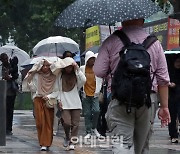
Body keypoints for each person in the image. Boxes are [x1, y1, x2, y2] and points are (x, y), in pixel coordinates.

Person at [93, 19, 171, 154]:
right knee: (142, 146)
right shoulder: (155, 43)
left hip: (120, 98)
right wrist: (164, 107)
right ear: (142, 20)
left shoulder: (112, 40)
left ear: (123, 20)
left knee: (122, 145)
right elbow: (163, 80)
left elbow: (98, 71)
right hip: (147, 100)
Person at [22, 58, 59, 151]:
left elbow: (57, 90)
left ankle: (46, 143)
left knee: (48, 122)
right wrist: (30, 78)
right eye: (43, 65)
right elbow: (32, 88)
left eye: (47, 65)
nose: (45, 67)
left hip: (49, 101)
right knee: (40, 122)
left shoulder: (54, 76)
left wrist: (49, 96)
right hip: (38, 99)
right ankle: (42, 141)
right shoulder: (37, 75)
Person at [55, 57, 86, 150]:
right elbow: (57, 89)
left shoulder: (76, 76)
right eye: (67, 67)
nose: (69, 69)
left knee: (75, 124)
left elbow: (84, 80)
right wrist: (58, 101)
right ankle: (67, 137)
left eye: (70, 67)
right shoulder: (60, 76)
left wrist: (77, 69)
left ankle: (73, 142)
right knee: (67, 123)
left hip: (76, 103)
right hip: (64, 103)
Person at [80, 50, 103, 139]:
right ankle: (88, 131)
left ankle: (94, 128)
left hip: (95, 93)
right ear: (87, 59)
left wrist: (98, 90)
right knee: (87, 113)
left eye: (94, 59)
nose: (92, 61)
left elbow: (100, 79)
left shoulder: (97, 68)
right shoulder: (82, 68)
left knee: (96, 111)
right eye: (91, 59)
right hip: (86, 94)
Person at [53, 50, 76, 136]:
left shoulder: (74, 69)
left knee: (69, 119)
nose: (68, 58)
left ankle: (68, 133)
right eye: (67, 56)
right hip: (59, 94)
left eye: (70, 56)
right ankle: (54, 130)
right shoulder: (60, 69)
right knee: (58, 114)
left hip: (71, 98)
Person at [0, 53, 19, 135]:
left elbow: (17, 76)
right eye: (3, 59)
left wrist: (10, 77)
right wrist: (3, 77)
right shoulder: (1, 67)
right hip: (2, 90)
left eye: (6, 58)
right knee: (2, 110)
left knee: (10, 110)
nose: (5, 60)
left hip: (11, 91)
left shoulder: (13, 66)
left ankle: (9, 128)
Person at [168, 56, 180, 143]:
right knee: (172, 116)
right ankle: (173, 134)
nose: (178, 63)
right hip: (171, 97)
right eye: (177, 61)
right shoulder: (169, 72)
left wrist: (176, 85)